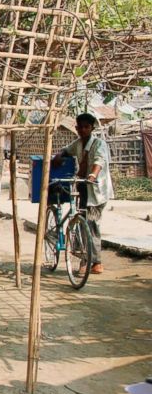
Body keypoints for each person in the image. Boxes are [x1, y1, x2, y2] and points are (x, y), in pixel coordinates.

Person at [52, 112, 113, 274]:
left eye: (87, 127)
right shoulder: (78, 144)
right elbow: (67, 150)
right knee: (82, 221)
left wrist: (92, 175)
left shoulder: (99, 144)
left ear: (92, 128)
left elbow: (99, 161)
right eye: (81, 127)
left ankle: (93, 261)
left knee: (91, 224)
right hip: (83, 188)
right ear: (77, 128)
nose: (84, 130)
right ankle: (88, 260)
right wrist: (59, 155)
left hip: (96, 190)